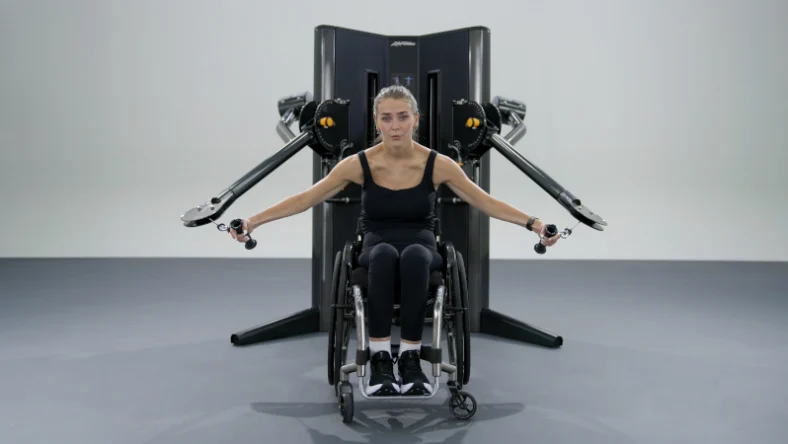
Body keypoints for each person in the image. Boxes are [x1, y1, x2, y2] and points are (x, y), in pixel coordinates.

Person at [230, 85, 559, 396]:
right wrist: (252, 221)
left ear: (416, 119)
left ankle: (411, 359)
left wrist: (534, 223)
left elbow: (485, 201)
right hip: (375, 246)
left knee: (415, 255)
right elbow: (305, 198)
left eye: (403, 117)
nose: (395, 126)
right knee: (384, 254)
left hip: (423, 246)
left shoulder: (437, 164)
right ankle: (381, 360)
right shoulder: (360, 164)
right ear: (377, 121)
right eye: (386, 118)